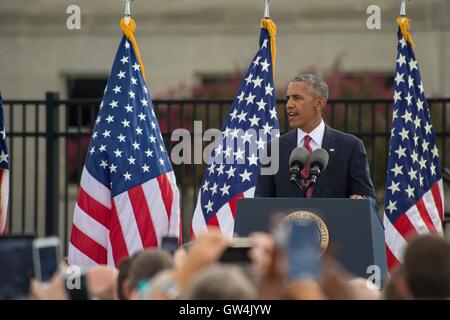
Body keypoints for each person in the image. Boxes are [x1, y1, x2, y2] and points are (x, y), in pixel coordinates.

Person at [255, 74, 377, 210]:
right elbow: (261, 203)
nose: (289, 105)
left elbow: (370, 201)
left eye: (297, 98)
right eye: (288, 98)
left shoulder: (350, 146)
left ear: (319, 103)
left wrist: (360, 200)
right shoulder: (273, 148)